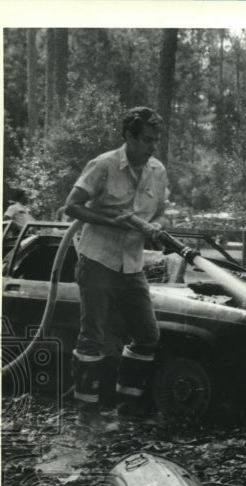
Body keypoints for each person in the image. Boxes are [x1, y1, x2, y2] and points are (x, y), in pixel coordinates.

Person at [64, 106, 168, 426]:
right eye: (147, 140)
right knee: (92, 337)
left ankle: (128, 410)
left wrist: (155, 228)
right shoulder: (104, 165)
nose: (152, 147)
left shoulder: (157, 171)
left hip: (132, 265)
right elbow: (72, 207)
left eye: (155, 141)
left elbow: (160, 212)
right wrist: (113, 221)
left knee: (148, 334)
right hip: (98, 259)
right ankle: (88, 414)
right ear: (128, 137)